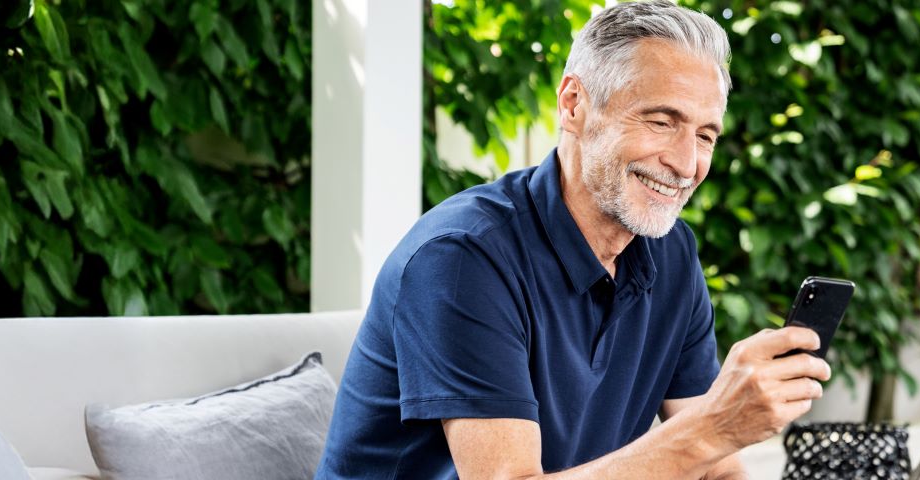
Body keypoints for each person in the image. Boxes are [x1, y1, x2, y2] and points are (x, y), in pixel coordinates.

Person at [315, 2, 830, 478]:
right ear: (574, 104)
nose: (686, 163)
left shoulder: (672, 253)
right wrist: (715, 427)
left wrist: (720, 433)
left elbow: (718, 470)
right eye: (660, 120)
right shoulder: (461, 258)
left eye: (704, 135)